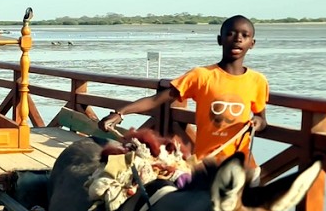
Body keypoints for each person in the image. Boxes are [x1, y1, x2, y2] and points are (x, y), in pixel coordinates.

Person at [99, 15, 268, 165]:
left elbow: (261, 119)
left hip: (243, 166)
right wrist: (120, 112)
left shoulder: (257, 81)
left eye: (245, 35)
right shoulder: (201, 76)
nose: (238, 39)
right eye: (231, 34)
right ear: (220, 39)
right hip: (206, 165)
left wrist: (257, 123)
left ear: (252, 43)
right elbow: (156, 100)